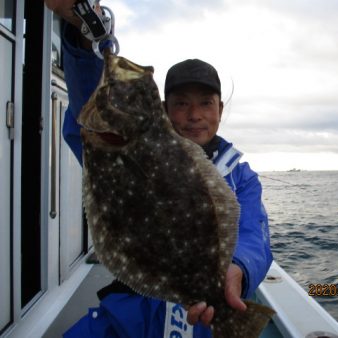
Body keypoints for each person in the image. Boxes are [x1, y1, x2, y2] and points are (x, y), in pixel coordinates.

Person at [45, 1, 273, 337]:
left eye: (205, 103)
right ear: (164, 110)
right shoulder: (106, 142)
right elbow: (86, 102)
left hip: (202, 318)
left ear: (220, 109)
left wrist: (237, 269)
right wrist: (83, 32)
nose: (194, 114)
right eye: (181, 103)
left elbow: (255, 235)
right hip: (131, 312)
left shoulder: (240, 176)